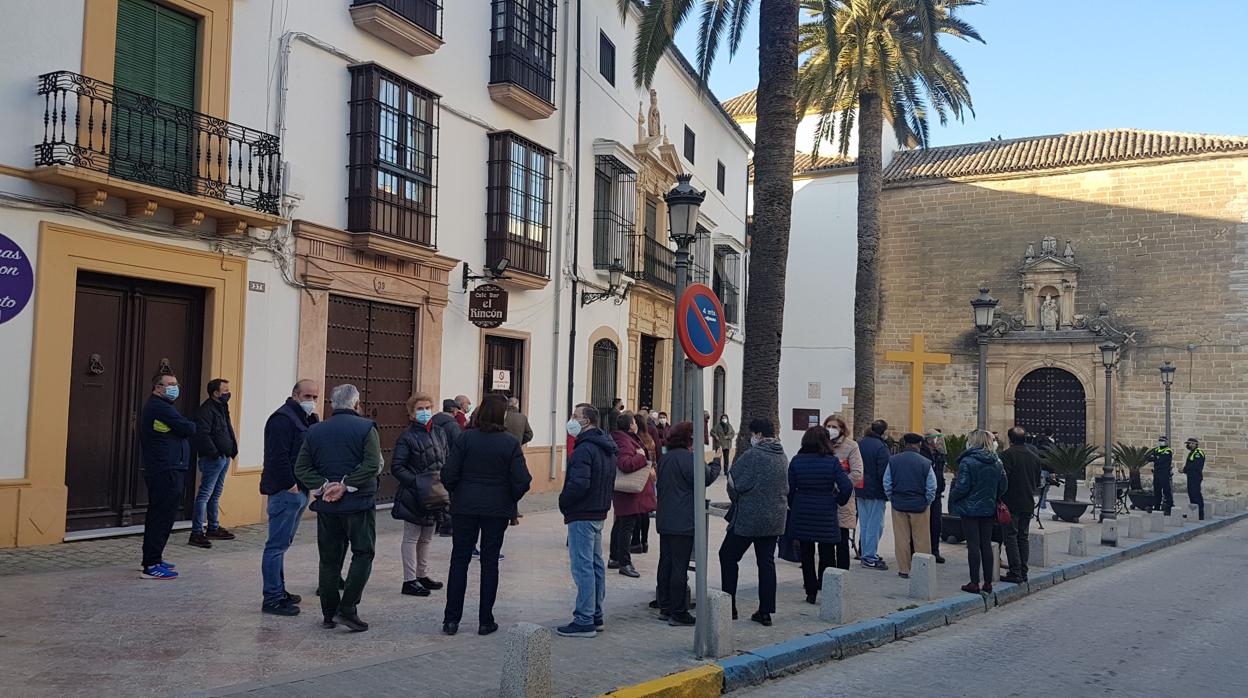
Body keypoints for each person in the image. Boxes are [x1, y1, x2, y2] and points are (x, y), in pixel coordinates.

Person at [440, 394, 531, 636]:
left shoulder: (465, 438)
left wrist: (458, 493)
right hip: (496, 510)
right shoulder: (510, 442)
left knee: (459, 560)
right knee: (490, 563)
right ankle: (485, 620)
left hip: (465, 508)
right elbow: (522, 480)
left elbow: (448, 474)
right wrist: (509, 498)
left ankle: (451, 620)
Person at [294, 384, 383, 632]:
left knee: (329, 560)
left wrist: (324, 486)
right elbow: (371, 465)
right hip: (359, 503)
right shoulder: (367, 428)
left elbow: (301, 468)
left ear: (332, 404)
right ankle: (348, 608)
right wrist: (346, 485)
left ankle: (328, 612)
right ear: (356, 404)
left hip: (328, 506)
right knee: (363, 553)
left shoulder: (315, 430)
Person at [259, 379, 320, 615]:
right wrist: (292, 485)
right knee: (275, 546)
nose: (312, 401)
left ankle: (279, 590)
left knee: (283, 544)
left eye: (315, 397)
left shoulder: (306, 419)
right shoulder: (282, 419)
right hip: (286, 491)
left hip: (300, 491)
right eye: (307, 396)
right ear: (295, 395)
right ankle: (272, 598)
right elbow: (278, 456)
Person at [719, 418, 788, 625]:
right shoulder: (782, 455)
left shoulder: (753, 455)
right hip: (774, 518)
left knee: (728, 556)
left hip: (749, 519)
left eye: (752, 435)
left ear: (757, 435)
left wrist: (737, 498)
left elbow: (734, 483)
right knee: (766, 562)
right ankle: (765, 611)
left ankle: (727, 606)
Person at [558, 404, 619, 637]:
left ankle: (584, 619)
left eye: (575, 416)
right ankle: (595, 614)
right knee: (594, 564)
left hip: (583, 513)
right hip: (598, 510)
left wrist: (564, 501)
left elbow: (579, 484)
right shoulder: (605, 446)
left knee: (583, 566)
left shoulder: (585, 449)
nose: (572, 420)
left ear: (587, 421)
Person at [655, 421, 721, 625]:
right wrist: (717, 461)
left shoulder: (666, 457)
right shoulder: (688, 459)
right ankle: (678, 611)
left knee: (665, 562)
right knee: (679, 565)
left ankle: (665, 606)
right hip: (682, 520)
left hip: (666, 518)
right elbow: (706, 478)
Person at [139, 373, 197, 580]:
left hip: (170, 467)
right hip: (165, 469)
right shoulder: (159, 407)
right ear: (158, 388)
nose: (175, 387)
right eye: (170, 384)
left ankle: (154, 558)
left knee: (162, 515)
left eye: (176, 384)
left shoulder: (164, 407)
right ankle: (151, 564)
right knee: (161, 516)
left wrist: (179, 428)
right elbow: (187, 428)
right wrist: (182, 427)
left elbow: (181, 429)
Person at [788, 427, 855, 604]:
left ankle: (810, 591)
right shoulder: (831, 462)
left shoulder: (796, 461)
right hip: (825, 510)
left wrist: (794, 504)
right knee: (827, 552)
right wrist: (838, 500)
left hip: (803, 509)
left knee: (807, 553)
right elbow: (846, 486)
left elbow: (789, 488)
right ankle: (825, 587)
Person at [392, 393, 448, 598]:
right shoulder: (407, 437)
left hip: (435, 494)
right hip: (414, 495)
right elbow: (397, 467)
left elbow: (446, 458)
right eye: (419, 409)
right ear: (411, 413)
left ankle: (422, 574)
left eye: (427, 407)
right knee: (411, 537)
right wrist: (417, 482)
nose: (425, 412)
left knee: (427, 538)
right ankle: (409, 580)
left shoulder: (440, 433)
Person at [948, 429, 1007, 595]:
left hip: (969, 508)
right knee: (986, 544)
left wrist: (953, 496)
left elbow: (963, 486)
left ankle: (974, 582)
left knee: (973, 545)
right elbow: (1003, 486)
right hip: (988, 508)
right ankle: (988, 582)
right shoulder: (997, 461)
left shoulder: (967, 461)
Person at [190, 378, 238, 548]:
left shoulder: (222, 407)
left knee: (215, 494)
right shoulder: (206, 410)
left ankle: (213, 527)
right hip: (213, 459)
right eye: (225, 390)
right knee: (205, 494)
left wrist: (232, 448)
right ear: (216, 393)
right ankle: (196, 532)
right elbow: (202, 435)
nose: (228, 393)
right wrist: (215, 453)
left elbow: (227, 429)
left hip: (224, 457)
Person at [884, 433, 937, 579]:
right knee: (922, 539)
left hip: (899, 504)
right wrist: (928, 501)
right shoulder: (925, 462)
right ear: (918, 444)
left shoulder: (893, 460)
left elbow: (887, 482)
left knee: (901, 539)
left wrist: (892, 498)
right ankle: (922, 569)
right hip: (920, 505)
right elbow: (932, 486)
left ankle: (904, 569)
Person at [608, 412, 650, 579]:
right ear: (631, 425)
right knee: (626, 527)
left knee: (620, 524)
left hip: (626, 493)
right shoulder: (625, 441)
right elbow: (625, 464)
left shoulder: (623, 438)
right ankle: (625, 562)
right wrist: (641, 457)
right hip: (628, 492)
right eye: (634, 422)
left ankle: (615, 558)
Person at [1000, 426, 1043, 584]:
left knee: (1010, 537)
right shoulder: (1034, 457)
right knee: (1023, 537)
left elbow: (1004, 480)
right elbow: (1038, 482)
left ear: (1010, 439)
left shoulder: (1007, 455)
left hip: (1011, 502)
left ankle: (1015, 571)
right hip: (1027, 502)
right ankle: (1023, 571)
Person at [825, 415, 863, 569]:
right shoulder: (822, 444)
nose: (831, 430)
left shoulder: (851, 446)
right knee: (825, 541)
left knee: (842, 540)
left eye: (834, 427)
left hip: (843, 499)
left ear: (842, 429)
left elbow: (857, 473)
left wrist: (839, 486)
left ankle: (842, 574)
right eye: (828, 426)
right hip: (824, 498)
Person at [856, 419, 891, 570]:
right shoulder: (881, 447)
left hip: (860, 488)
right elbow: (884, 472)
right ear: (884, 431)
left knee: (864, 524)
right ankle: (870, 556)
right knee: (875, 525)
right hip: (876, 490)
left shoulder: (860, 443)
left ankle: (866, 553)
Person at [431, 400, 463, 538]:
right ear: (454, 411)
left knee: (434, 494)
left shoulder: (432, 421)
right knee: (448, 495)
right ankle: (447, 526)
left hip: (432, 462)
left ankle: (436, 524)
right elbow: (459, 446)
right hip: (448, 463)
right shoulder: (453, 426)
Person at [630, 412, 659, 555]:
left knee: (637, 510)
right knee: (645, 511)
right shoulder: (650, 438)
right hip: (650, 474)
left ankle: (636, 541)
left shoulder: (637, 440)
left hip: (639, 475)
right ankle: (645, 541)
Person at [920, 431, 948, 563]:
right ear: (930, 441)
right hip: (924, 493)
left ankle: (934, 550)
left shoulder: (938, 455)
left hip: (937, 494)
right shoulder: (922, 453)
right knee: (922, 524)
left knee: (936, 523)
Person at [1146, 436, 1175, 515]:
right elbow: (1149, 458)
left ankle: (1169, 508)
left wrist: (1155, 458)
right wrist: (1156, 458)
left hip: (1164, 473)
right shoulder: (1156, 450)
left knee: (1166, 491)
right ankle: (1156, 507)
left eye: (1162, 441)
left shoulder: (1168, 451)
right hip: (1157, 472)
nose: (1160, 442)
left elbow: (1162, 460)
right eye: (1160, 441)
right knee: (1157, 491)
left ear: (1166, 442)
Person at [1183, 438, 1206, 520]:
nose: (1188, 445)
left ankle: (1200, 514)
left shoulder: (1198, 453)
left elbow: (1194, 466)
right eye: (1188, 443)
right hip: (1191, 476)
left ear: (1194, 444)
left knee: (1196, 494)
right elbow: (1189, 464)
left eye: (1190, 443)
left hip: (1195, 476)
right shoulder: (1192, 452)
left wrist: (1184, 470)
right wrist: (1184, 470)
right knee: (1192, 494)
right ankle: (1193, 512)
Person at [1035, 428, 1057, 511]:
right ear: (1052, 434)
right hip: (1047, 469)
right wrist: (1053, 471)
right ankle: (1042, 505)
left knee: (1042, 487)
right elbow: (1051, 459)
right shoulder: (1050, 445)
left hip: (1040, 468)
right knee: (1045, 488)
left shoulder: (1038, 443)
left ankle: (1041, 504)